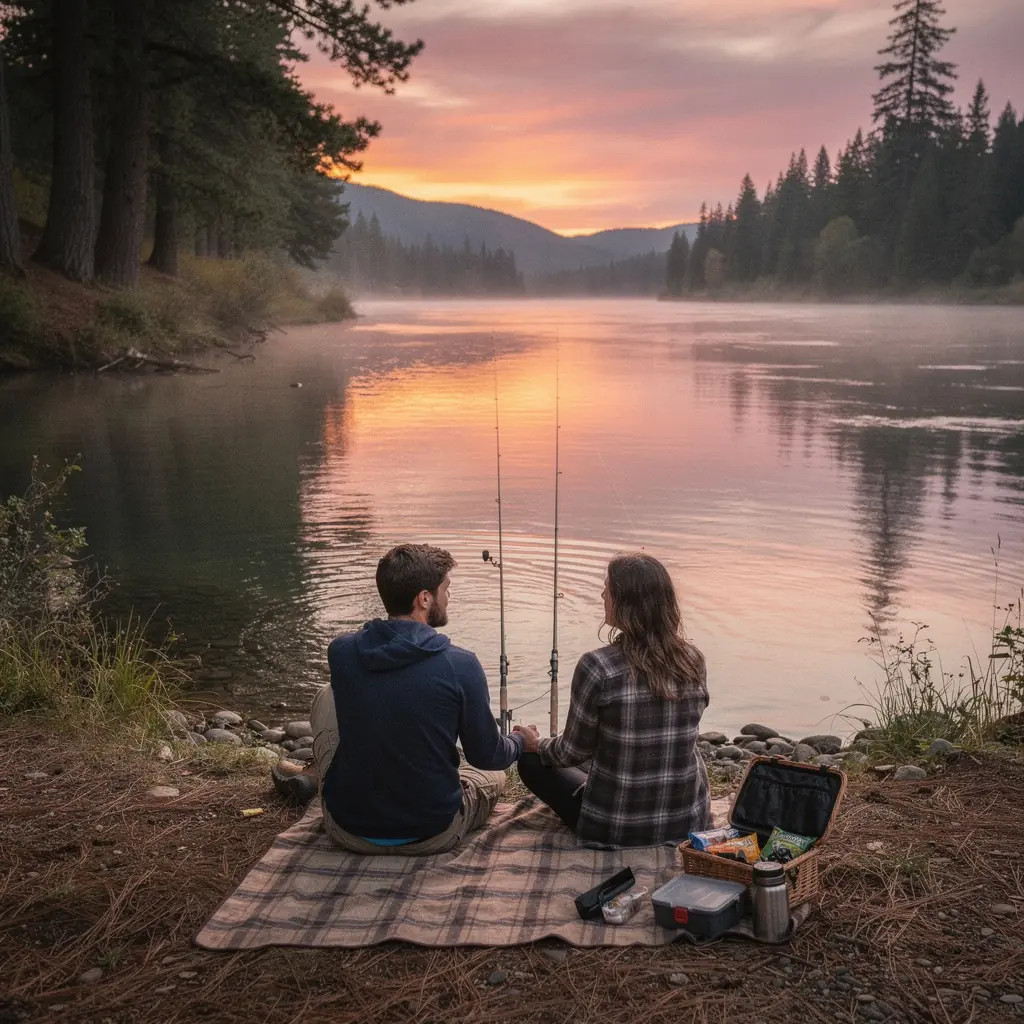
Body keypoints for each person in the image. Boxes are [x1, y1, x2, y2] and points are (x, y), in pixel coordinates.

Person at [305, 543, 525, 854]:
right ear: (424, 598)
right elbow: (487, 756)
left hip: (348, 828)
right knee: (493, 775)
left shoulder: (341, 651)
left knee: (326, 696)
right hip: (431, 834)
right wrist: (518, 742)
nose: (449, 597)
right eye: (445, 589)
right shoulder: (461, 665)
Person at [514, 553, 711, 847]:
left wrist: (535, 744)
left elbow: (570, 752)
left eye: (608, 588)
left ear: (626, 603)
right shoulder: (693, 660)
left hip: (615, 826)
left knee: (530, 761)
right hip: (685, 821)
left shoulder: (597, 667)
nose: (602, 593)